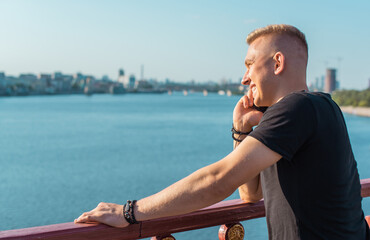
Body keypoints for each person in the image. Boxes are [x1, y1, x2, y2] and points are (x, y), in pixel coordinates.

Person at [75, 24, 370, 239]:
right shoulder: (319, 108)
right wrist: (241, 130)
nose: (244, 78)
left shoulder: (297, 108)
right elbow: (250, 194)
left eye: (250, 64)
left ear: (277, 63)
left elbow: (218, 180)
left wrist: (128, 212)